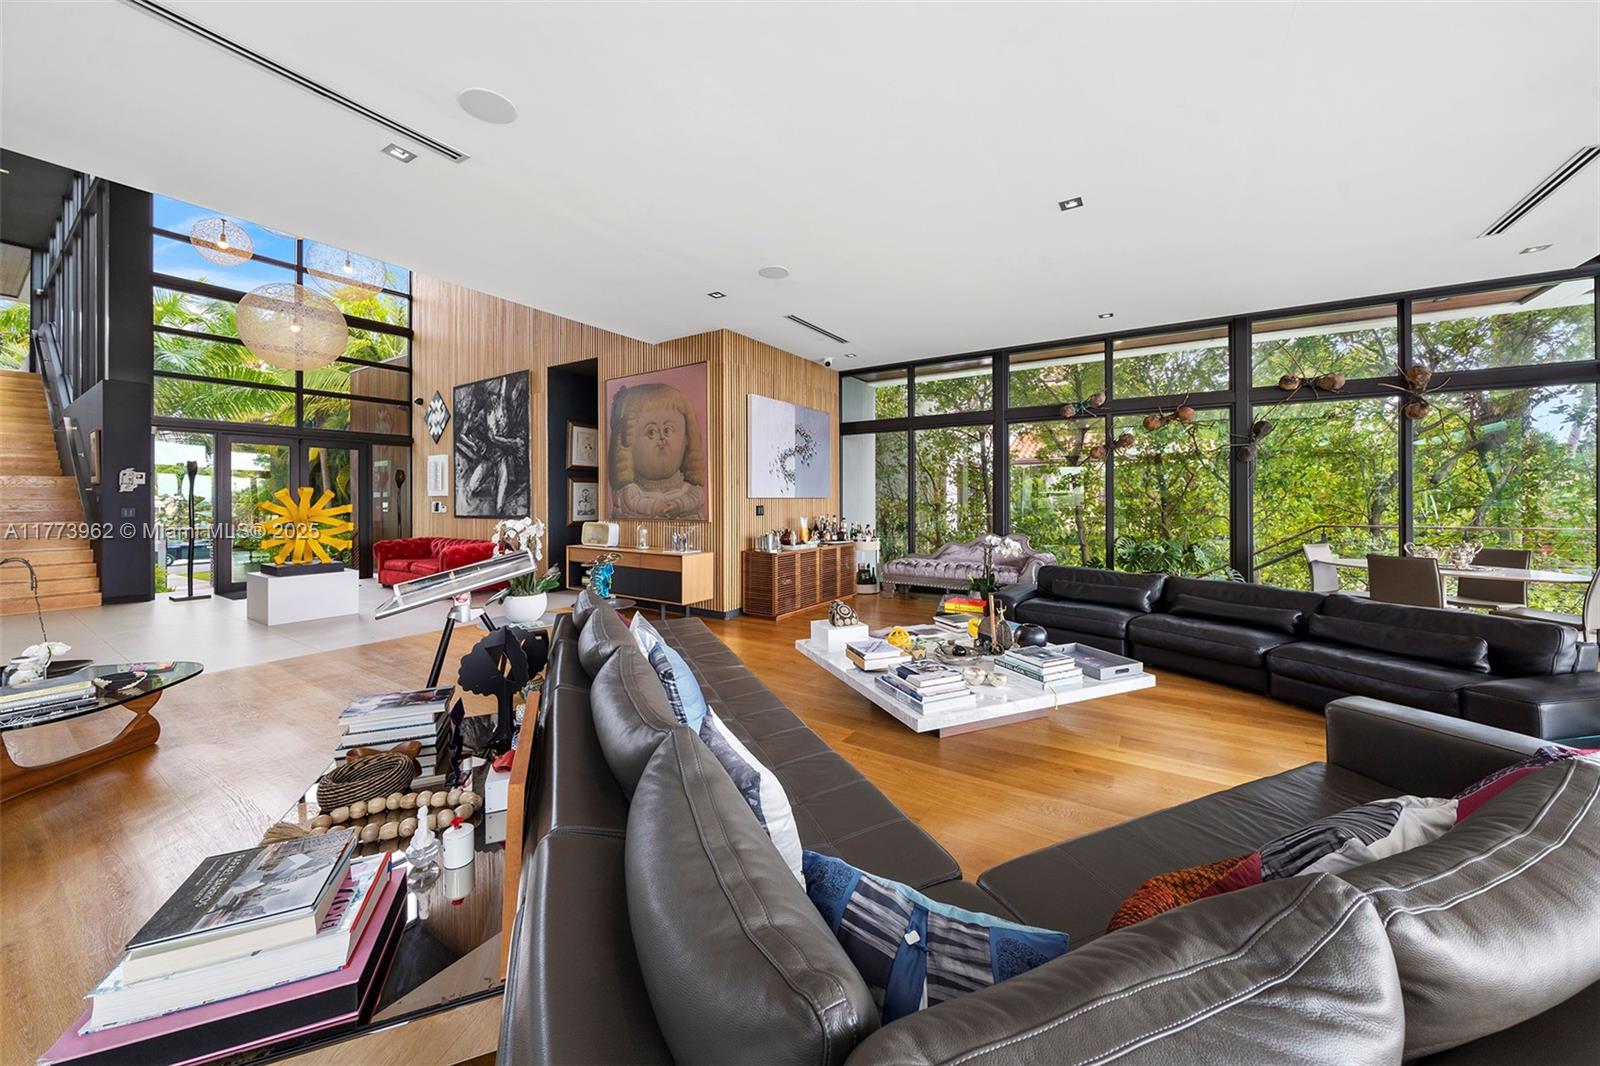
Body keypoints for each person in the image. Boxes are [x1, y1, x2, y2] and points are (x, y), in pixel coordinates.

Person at [608, 382, 707, 519]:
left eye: (667, 430)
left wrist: (679, 505)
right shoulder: (631, 492)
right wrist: (655, 507)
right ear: (628, 445)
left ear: (687, 438)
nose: (662, 438)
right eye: (651, 432)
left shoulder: (689, 490)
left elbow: (696, 499)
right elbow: (634, 503)